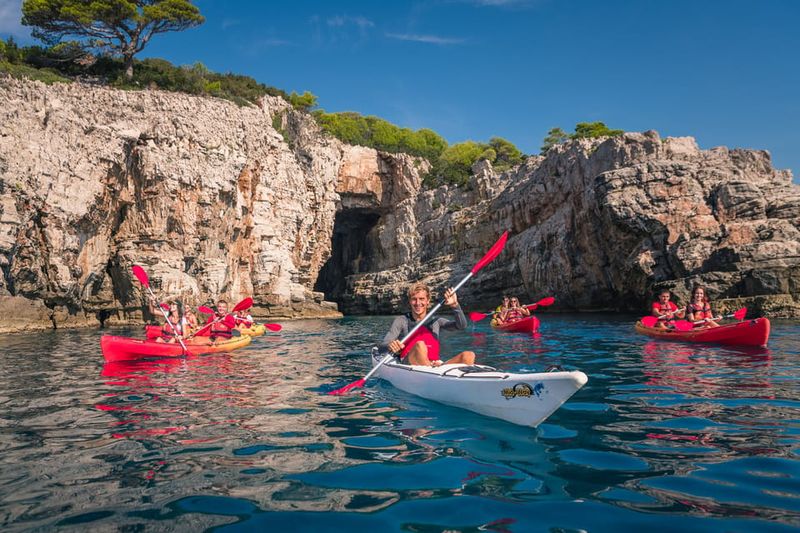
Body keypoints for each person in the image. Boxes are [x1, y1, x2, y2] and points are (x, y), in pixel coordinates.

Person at [380, 283, 476, 367]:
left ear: (428, 300)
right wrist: (391, 346)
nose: (418, 303)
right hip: (409, 363)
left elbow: (461, 326)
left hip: (435, 365)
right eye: (414, 299)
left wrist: (455, 305)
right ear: (410, 301)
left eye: (422, 299)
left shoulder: (436, 321)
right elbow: (382, 346)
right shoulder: (402, 320)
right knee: (420, 345)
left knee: (468, 355)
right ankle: (431, 372)